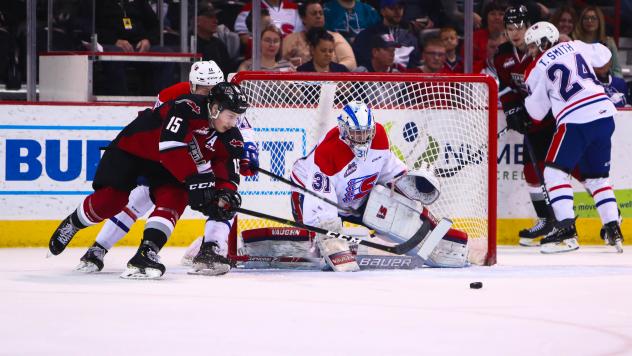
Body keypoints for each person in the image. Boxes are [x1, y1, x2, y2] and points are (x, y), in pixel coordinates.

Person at [48, 82, 249, 279]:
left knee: (175, 197)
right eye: (230, 116)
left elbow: (228, 173)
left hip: (168, 166)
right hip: (134, 150)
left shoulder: (230, 136)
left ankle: (147, 252)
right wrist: (193, 180)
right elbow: (170, 147)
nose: (233, 122)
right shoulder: (187, 106)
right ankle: (74, 222)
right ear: (215, 108)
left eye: (237, 117)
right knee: (111, 201)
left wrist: (225, 194)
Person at [289, 101, 467, 271]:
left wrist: (409, 183)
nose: (363, 139)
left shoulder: (379, 135)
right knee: (315, 247)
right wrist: (330, 239)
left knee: (395, 210)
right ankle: (306, 245)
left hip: (354, 197)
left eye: (366, 132)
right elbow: (320, 205)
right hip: (308, 188)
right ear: (344, 131)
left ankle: (434, 241)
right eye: (356, 134)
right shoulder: (328, 153)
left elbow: (387, 168)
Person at [521, 21, 623, 253]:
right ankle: (613, 229)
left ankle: (566, 232)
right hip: (604, 114)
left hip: (576, 119)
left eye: (532, 46)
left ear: (539, 42)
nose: (531, 51)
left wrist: (526, 106)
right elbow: (604, 53)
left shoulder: (537, 67)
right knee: (598, 178)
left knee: (553, 173)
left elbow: (536, 112)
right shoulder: (576, 45)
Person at [493, 6, 559, 246]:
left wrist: (533, 110)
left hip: (552, 117)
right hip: (530, 118)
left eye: (519, 27)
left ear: (529, 25)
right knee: (531, 172)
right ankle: (546, 220)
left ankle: (563, 223)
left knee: (555, 171)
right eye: (510, 29)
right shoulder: (502, 54)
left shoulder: (542, 50)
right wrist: (512, 110)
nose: (515, 33)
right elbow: (506, 86)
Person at [94, 0, 174, 95]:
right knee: (113, 55)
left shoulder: (139, 2)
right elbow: (90, 27)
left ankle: (161, 102)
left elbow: (155, 26)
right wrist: (114, 40)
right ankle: (120, 102)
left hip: (140, 46)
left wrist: (148, 40)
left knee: (166, 55)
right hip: (113, 45)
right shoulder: (98, 3)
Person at [282, 0, 356, 70]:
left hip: (332, 81)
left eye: (321, 13)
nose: (318, 16)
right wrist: (290, 65)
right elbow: (278, 63)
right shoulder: (291, 39)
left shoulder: (335, 37)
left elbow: (350, 62)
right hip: (300, 81)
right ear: (303, 18)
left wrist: (327, 70)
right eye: (314, 13)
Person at [351, 0, 421, 69]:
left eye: (400, 8)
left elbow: (414, 65)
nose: (397, 12)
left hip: (404, 78)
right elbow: (362, 61)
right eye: (392, 8)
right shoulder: (367, 35)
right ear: (382, 11)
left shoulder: (410, 37)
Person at [572, 6, 622, 78]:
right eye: (586, 18)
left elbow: (616, 70)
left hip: (605, 84)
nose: (589, 21)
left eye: (593, 18)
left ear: (600, 21)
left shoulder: (609, 42)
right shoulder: (574, 42)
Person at [234, 0, 303, 45]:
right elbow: (245, 39)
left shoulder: (293, 7)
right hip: (261, 57)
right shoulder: (250, 7)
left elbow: (299, 37)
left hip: (291, 54)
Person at [196, 3, 237, 74]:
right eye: (210, 17)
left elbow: (228, 73)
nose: (216, 21)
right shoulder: (189, 44)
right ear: (197, 20)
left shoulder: (219, 45)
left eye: (215, 17)